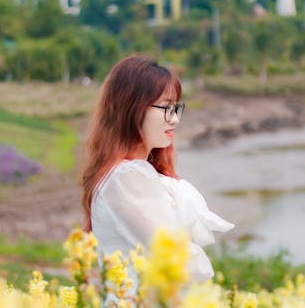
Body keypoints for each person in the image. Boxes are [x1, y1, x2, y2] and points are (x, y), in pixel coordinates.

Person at [81, 55, 234, 281]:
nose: (174, 119)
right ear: (132, 108)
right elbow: (174, 257)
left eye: (176, 108)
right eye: (165, 107)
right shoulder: (126, 177)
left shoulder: (128, 173)